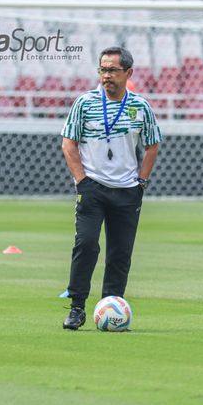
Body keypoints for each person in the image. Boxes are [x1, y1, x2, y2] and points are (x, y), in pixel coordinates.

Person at [60, 46, 162, 330]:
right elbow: (69, 142)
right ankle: (77, 307)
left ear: (128, 73)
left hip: (128, 190)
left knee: (120, 253)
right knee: (86, 244)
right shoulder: (84, 103)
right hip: (92, 188)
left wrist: (141, 181)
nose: (106, 75)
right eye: (102, 69)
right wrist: (81, 180)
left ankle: (111, 308)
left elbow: (152, 144)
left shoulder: (140, 106)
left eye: (112, 70)